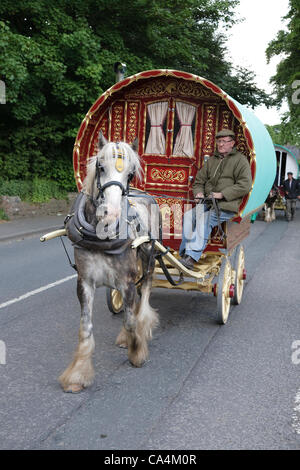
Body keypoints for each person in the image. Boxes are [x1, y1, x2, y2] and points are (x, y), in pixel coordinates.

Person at [179, 129, 252, 269]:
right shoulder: (213, 160)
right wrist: (199, 193)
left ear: (232, 143)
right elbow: (199, 181)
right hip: (207, 201)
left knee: (205, 219)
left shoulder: (240, 161)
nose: (221, 144)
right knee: (189, 216)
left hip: (227, 204)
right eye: (219, 141)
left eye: (224, 141)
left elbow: (245, 185)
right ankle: (183, 254)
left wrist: (222, 194)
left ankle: (192, 257)